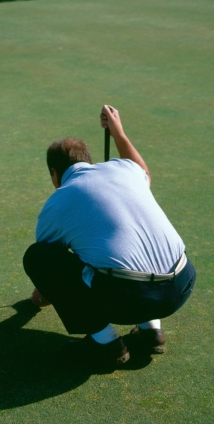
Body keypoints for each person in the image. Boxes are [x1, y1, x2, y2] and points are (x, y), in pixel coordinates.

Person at [23, 105, 196, 368]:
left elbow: (48, 263)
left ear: (54, 175)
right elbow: (144, 171)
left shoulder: (59, 201)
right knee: (126, 256)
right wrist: (118, 133)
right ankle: (151, 330)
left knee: (36, 256)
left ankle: (105, 344)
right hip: (182, 286)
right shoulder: (126, 170)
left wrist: (41, 297)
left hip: (130, 299)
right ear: (89, 161)